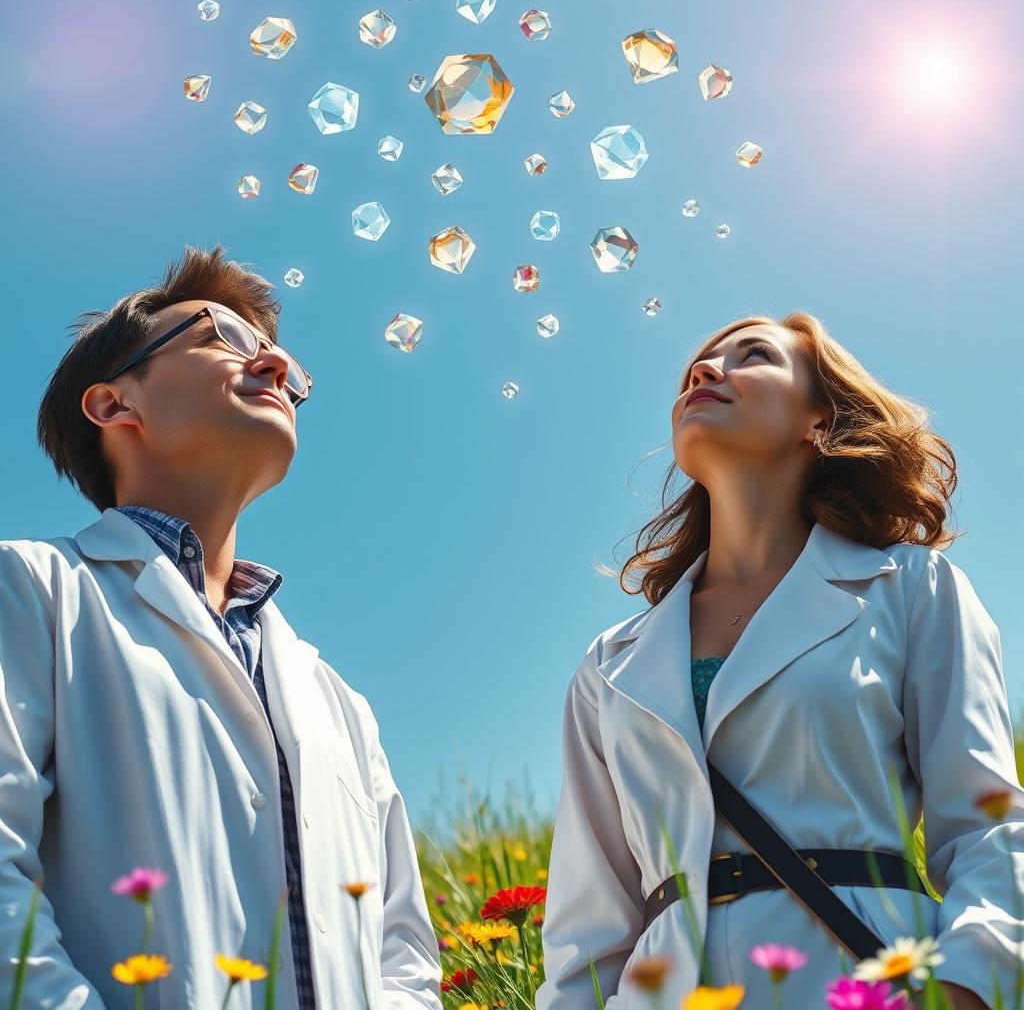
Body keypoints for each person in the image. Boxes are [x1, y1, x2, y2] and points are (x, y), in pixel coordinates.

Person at [535, 312, 1023, 1010]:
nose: (704, 373)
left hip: (866, 987)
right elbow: (586, 938)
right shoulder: (608, 666)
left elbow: (989, 830)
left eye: (752, 355)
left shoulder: (913, 589)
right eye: (693, 371)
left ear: (819, 420)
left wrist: (963, 988)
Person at [0, 245, 443, 1010]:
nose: (275, 370)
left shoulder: (336, 698)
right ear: (113, 406)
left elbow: (402, 954)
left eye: (287, 366)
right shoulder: (30, 591)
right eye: (223, 339)